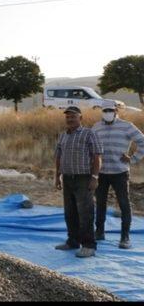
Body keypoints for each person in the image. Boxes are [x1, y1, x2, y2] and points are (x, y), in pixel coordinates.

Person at [92, 102, 144, 249]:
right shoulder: (96, 127)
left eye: (110, 110)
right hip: (101, 173)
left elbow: (142, 141)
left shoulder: (127, 126)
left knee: (124, 204)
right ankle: (99, 232)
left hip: (119, 172)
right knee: (100, 203)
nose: (107, 112)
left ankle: (125, 237)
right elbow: (91, 146)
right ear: (102, 111)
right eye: (105, 110)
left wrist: (133, 158)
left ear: (115, 111)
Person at [54, 106, 103, 258]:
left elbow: (97, 157)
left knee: (85, 212)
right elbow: (58, 157)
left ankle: (89, 245)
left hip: (84, 179)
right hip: (68, 178)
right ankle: (73, 241)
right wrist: (57, 177)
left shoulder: (89, 134)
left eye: (73, 116)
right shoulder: (63, 136)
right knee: (70, 212)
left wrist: (95, 177)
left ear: (80, 118)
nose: (70, 119)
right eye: (67, 117)